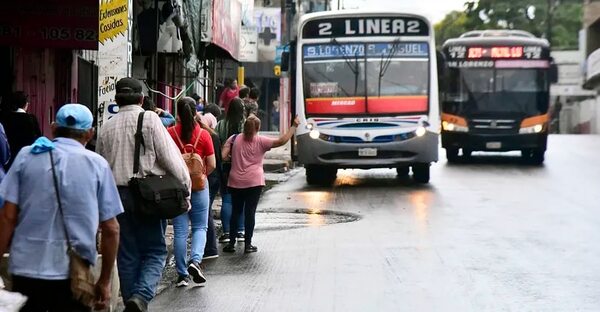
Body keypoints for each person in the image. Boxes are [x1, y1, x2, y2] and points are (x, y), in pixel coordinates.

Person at [0, 104, 122, 311]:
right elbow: (111, 229)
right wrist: (104, 281)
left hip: (26, 268)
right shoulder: (98, 165)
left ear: (54, 128)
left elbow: (7, 217)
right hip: (74, 274)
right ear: (90, 133)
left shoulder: (26, 156)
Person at [96, 78, 190, 312]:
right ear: (141, 99)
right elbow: (170, 157)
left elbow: (101, 166)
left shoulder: (107, 126)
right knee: (155, 250)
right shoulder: (149, 119)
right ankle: (141, 296)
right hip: (146, 196)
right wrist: (185, 187)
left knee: (126, 253)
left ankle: (131, 301)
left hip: (116, 196)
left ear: (116, 100)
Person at [222, 115, 299, 253]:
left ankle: (231, 244)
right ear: (258, 128)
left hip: (235, 181)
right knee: (249, 213)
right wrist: (293, 126)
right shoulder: (261, 141)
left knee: (236, 212)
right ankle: (248, 245)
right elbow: (282, 141)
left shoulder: (233, 139)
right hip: (254, 182)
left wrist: (234, 157)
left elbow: (223, 156)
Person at [167, 97, 216, 287]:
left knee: (180, 230)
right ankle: (195, 262)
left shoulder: (169, 133)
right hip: (199, 186)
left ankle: (181, 275)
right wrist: (201, 174)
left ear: (177, 113)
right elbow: (211, 164)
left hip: (176, 187)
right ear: (196, 112)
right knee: (199, 227)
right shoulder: (204, 135)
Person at [214, 98, 246, 244]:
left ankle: (226, 233)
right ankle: (240, 231)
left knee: (227, 198)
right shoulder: (245, 125)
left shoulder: (220, 124)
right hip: (243, 166)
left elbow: (215, 140)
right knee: (242, 199)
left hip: (225, 166)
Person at [0, 91, 42, 169]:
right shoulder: (31, 119)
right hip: (28, 160)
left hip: (10, 162)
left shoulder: (5, 119)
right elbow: (38, 139)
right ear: (25, 104)